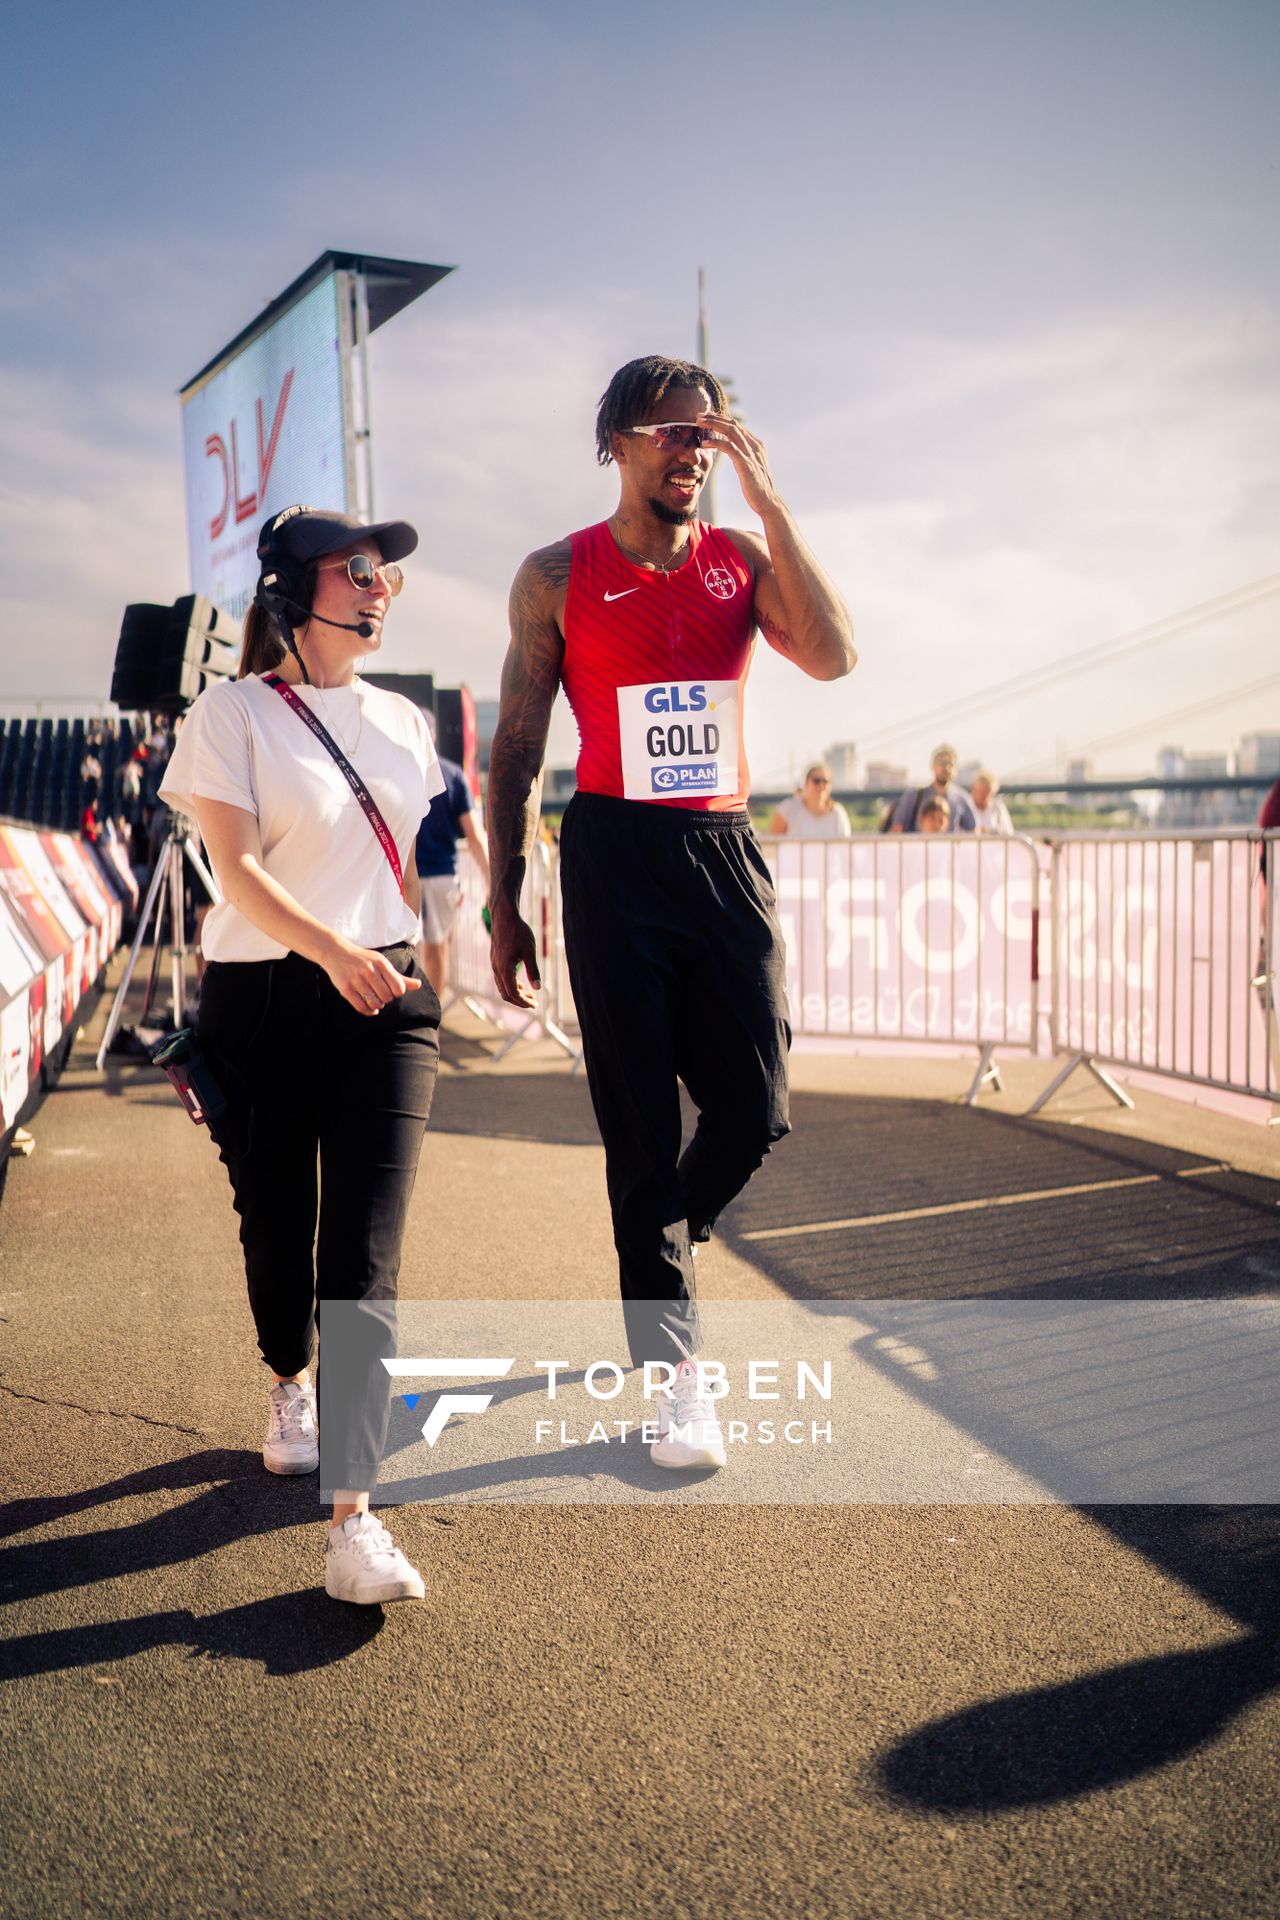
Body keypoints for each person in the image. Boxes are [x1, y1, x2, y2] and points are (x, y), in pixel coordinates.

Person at [486, 354, 855, 1472]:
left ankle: (659, 1246)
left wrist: (773, 505)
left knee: (752, 1108)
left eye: (707, 432)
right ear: (617, 443)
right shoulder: (555, 574)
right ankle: (674, 1372)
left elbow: (835, 657)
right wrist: (505, 900)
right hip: (610, 852)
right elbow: (515, 746)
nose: (692, 447)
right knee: (640, 1124)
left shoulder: (741, 560)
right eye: (669, 431)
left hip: (720, 848)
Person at [158, 506, 444, 1606]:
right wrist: (330, 951)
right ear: (293, 589)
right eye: (357, 569)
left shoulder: (406, 722)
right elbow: (234, 873)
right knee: (278, 1228)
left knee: (363, 1257)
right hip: (266, 999)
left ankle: (355, 1522)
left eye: (388, 575)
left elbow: (396, 863)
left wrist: (418, 961)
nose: (380, 587)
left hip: (383, 1001)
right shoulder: (229, 713)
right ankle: (290, 1382)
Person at [415, 711, 491, 997]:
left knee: (401, 949)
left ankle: (405, 1018)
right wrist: (491, 881)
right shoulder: (453, 774)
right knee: (437, 948)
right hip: (442, 875)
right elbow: (474, 834)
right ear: (433, 736)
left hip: (401, 876)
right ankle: (431, 1018)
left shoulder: (397, 770)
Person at [888, 744, 976, 833]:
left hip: (948, 846)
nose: (946, 768)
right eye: (942, 763)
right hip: (919, 846)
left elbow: (973, 831)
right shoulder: (914, 795)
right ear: (933, 766)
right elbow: (897, 828)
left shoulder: (962, 798)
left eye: (951, 764)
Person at [768, 763, 852, 839]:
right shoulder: (787, 809)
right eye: (816, 781)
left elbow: (846, 846)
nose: (821, 785)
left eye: (826, 781)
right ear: (805, 783)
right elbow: (772, 845)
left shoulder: (838, 812)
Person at [970, 769, 1014, 834]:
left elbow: (1009, 832)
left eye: (989, 793)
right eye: (982, 792)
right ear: (974, 790)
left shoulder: (998, 807)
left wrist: (989, 831)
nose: (986, 796)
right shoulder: (964, 806)